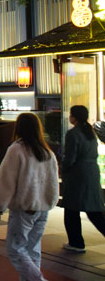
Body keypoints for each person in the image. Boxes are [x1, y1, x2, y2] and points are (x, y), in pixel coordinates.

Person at [0, 113, 59, 280]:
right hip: (43, 209)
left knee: (15, 249)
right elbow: (53, 181)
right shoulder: (47, 151)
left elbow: (6, 181)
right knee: (33, 250)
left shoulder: (16, 149)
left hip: (24, 209)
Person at [60, 105, 105, 252]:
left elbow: (70, 157)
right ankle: (76, 242)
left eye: (71, 114)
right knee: (94, 210)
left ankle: (76, 242)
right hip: (92, 172)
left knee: (71, 209)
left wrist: (63, 169)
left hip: (78, 174)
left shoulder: (73, 133)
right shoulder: (90, 132)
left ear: (74, 117)